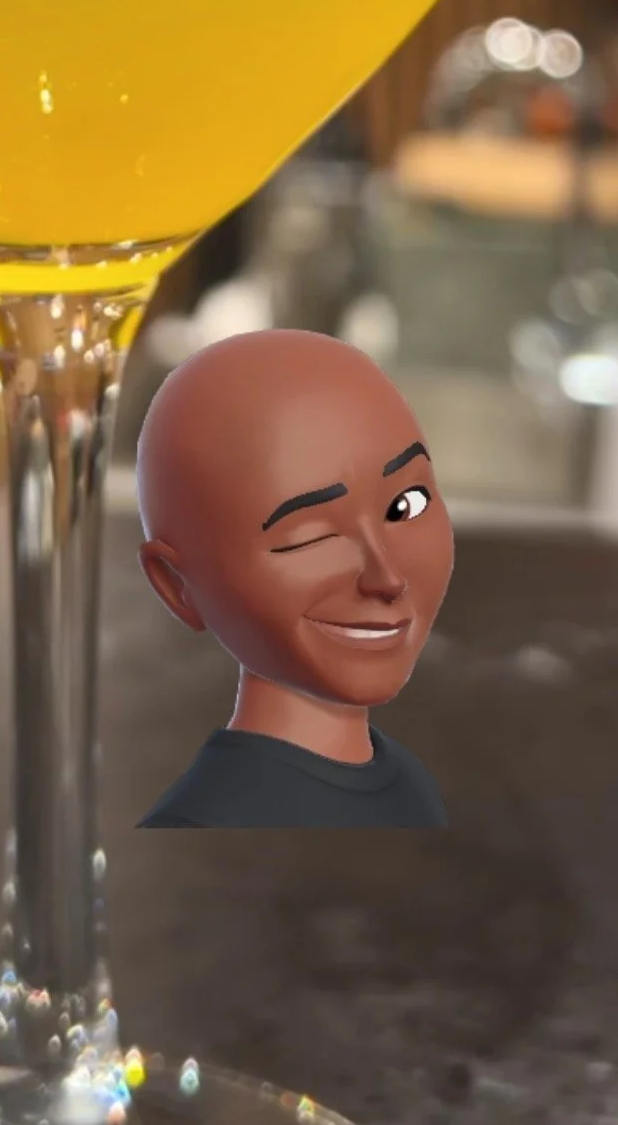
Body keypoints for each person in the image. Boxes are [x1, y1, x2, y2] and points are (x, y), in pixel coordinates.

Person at [136, 328, 452, 828]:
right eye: (310, 537)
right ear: (178, 585)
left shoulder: (411, 785)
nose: (387, 577)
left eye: (405, 506)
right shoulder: (211, 824)